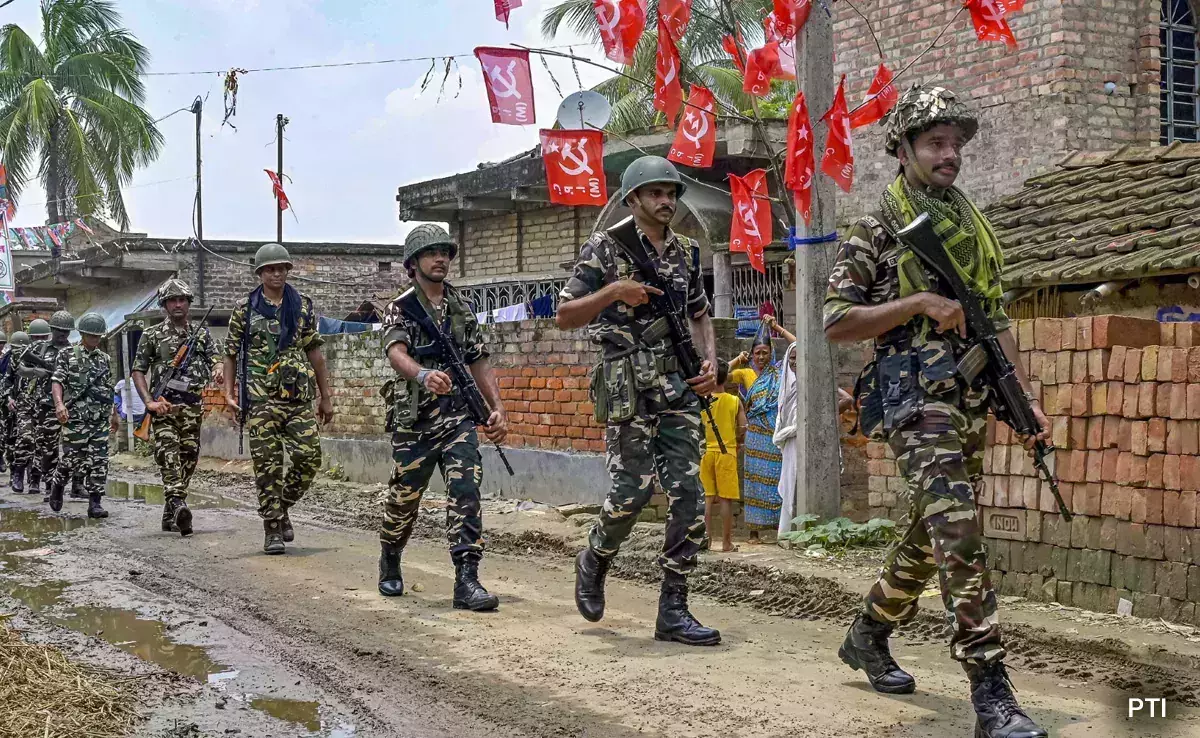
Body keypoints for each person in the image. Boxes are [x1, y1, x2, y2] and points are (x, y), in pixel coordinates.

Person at [824, 84, 1049, 738]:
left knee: (931, 533)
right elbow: (835, 320)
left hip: (968, 396)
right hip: (914, 399)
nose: (949, 154)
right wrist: (918, 305)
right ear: (903, 150)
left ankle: (869, 632)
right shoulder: (877, 229)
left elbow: (993, 320)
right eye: (934, 143)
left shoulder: (971, 230)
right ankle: (990, 692)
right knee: (958, 528)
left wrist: (1024, 400)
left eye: (955, 144)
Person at [557, 155, 721, 646]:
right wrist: (613, 291)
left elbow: (699, 313)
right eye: (655, 193)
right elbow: (565, 315)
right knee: (632, 492)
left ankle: (674, 608)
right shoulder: (604, 248)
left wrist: (710, 362)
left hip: (677, 386)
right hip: (628, 385)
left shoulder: (687, 252)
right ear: (632, 199)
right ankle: (595, 557)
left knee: (689, 494)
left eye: (671, 193)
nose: (666, 201)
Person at [377, 224, 507, 611]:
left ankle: (467, 580)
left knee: (466, 491)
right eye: (431, 253)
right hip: (415, 420)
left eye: (445, 253)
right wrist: (421, 374)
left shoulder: (460, 307)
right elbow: (395, 352)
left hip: (457, 417)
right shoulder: (400, 307)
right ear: (413, 263)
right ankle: (390, 556)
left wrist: (496, 407)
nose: (440, 259)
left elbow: (478, 359)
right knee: (404, 499)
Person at [223, 243, 333, 555]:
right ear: (260, 273)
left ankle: (281, 506)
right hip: (261, 399)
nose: (277, 274)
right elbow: (230, 353)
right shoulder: (245, 309)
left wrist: (326, 397)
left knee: (309, 458)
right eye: (270, 269)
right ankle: (272, 527)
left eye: (282, 268)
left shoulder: (302, 306)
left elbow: (315, 353)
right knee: (267, 465)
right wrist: (229, 393)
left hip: (297, 397)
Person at [132, 278, 217, 537]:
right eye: (172, 300)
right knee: (168, 454)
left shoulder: (201, 334)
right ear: (165, 305)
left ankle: (171, 511)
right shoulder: (152, 335)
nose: (178, 304)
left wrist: (218, 370)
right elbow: (138, 370)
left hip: (192, 408)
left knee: (188, 459)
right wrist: (149, 401)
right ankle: (179, 503)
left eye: (182, 300)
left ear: (188, 303)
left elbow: (215, 359)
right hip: (164, 408)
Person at [49, 312, 118, 518]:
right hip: (76, 418)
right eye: (91, 335)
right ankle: (58, 483)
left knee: (100, 460)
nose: (95, 339)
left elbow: (109, 389)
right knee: (72, 459)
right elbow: (57, 381)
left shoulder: (104, 359)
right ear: (82, 334)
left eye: (98, 335)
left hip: (99, 419)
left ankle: (95, 503)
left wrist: (114, 414)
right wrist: (59, 404)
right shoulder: (67, 355)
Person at [741, 314, 797, 543]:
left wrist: (777, 327)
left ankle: (778, 528)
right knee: (754, 483)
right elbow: (720, 376)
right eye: (757, 353)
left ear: (772, 353)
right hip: (754, 438)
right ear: (752, 355)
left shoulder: (780, 372)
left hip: (774, 438)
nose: (761, 357)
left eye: (765, 352)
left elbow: (799, 346)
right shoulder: (746, 374)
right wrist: (738, 359)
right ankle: (753, 532)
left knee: (776, 482)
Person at [701, 359, 745, 553]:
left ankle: (706, 540)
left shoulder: (701, 401)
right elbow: (743, 428)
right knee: (726, 499)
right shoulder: (734, 401)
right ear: (726, 378)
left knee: (707, 498)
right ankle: (726, 543)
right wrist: (738, 443)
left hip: (705, 453)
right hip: (727, 452)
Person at [30, 311, 75, 498]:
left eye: (66, 331)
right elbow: (21, 370)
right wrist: (36, 372)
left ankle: (76, 485)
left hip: (70, 404)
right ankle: (49, 484)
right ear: (52, 330)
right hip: (46, 405)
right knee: (48, 448)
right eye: (59, 330)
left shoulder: (74, 351)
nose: (63, 334)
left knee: (75, 447)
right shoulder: (41, 349)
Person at [9, 319, 51, 494]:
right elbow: (11, 377)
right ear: (31, 338)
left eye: (43, 337)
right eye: (36, 337)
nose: (40, 340)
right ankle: (18, 473)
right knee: (25, 438)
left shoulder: (52, 354)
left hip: (44, 404)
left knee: (41, 444)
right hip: (25, 403)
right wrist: (9, 397)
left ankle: (35, 479)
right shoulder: (20, 355)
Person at [0, 330, 25, 481]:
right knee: (6, 433)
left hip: (10, 401)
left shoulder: (8, 358)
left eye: (2, 344)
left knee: (11, 435)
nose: (0, 346)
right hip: (6, 402)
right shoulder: (6, 359)